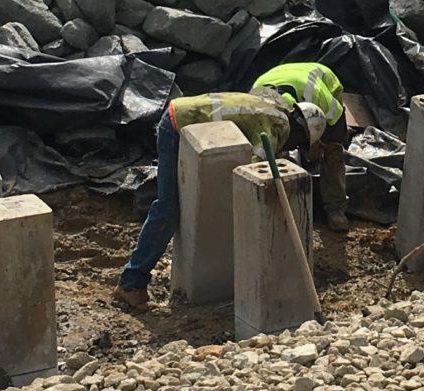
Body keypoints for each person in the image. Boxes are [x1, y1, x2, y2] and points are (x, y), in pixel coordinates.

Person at [115, 88, 307, 308]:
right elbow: (253, 171)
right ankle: (130, 284)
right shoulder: (278, 127)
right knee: (168, 209)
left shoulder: (275, 109)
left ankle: (132, 282)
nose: (293, 149)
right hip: (178, 124)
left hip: (184, 114)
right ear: (300, 131)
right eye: (299, 143)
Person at [253, 59, 353, 230]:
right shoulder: (257, 108)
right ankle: (283, 205)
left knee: (334, 151)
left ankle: (335, 208)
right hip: (274, 78)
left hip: (324, 78)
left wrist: (322, 145)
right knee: (275, 149)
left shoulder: (327, 106)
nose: (294, 149)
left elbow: (339, 137)